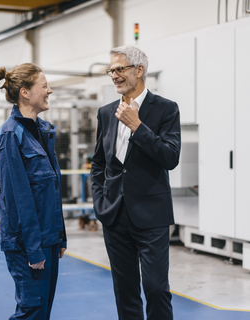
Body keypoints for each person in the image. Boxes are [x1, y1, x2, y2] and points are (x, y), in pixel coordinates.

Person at [90, 45, 181, 320]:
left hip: (151, 216)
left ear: (139, 70)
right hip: (115, 215)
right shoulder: (106, 113)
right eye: (111, 70)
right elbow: (99, 163)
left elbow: (170, 157)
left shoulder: (165, 109)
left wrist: (138, 127)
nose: (114, 76)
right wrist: (99, 202)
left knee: (155, 288)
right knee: (125, 290)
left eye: (120, 69)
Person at [0, 63, 67, 320]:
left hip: (48, 238)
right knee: (31, 311)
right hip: (27, 244)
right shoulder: (10, 136)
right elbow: (17, 200)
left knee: (42, 311)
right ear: (25, 92)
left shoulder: (42, 131)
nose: (50, 91)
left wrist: (60, 236)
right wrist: (33, 249)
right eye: (44, 86)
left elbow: (51, 189)